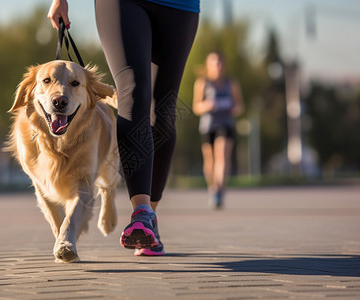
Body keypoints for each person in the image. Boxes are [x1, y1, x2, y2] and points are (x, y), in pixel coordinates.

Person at [48, 0, 199, 256]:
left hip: (179, 5)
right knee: (133, 93)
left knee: (162, 113)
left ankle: (150, 216)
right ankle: (141, 211)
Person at [192, 51, 243, 209]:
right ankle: (212, 187)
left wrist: (234, 108)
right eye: (214, 62)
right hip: (208, 126)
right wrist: (207, 105)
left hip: (226, 124)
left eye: (220, 62)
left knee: (222, 156)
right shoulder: (202, 83)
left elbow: (240, 105)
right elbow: (196, 107)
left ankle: (219, 190)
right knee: (210, 161)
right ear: (208, 65)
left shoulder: (231, 83)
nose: (218, 66)